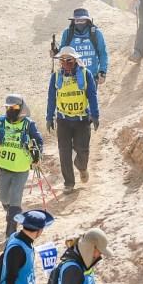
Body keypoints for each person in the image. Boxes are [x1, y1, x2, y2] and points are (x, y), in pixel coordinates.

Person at [45, 47, 99, 194]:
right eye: (63, 60)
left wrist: (95, 115)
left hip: (82, 120)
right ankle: (69, 183)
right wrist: (49, 117)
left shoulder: (86, 74)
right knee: (64, 153)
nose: (66, 62)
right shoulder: (56, 77)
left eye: (69, 59)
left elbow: (92, 96)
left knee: (82, 150)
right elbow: (51, 98)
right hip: (63, 120)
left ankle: (82, 167)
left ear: (75, 60)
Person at [0, 94, 45, 236]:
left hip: (21, 168)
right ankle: (12, 213)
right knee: (3, 198)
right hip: (3, 166)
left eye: (14, 107)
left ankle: (11, 230)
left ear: (21, 107)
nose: (11, 110)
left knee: (15, 199)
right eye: (8, 107)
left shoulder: (28, 124)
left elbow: (38, 141)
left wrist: (38, 156)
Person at [58, 8, 109, 84]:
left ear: (87, 21)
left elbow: (103, 53)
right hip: (72, 77)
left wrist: (102, 71)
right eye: (77, 20)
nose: (79, 23)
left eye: (82, 20)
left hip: (92, 77)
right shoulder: (67, 33)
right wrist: (56, 52)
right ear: (73, 21)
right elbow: (62, 52)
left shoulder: (96, 33)